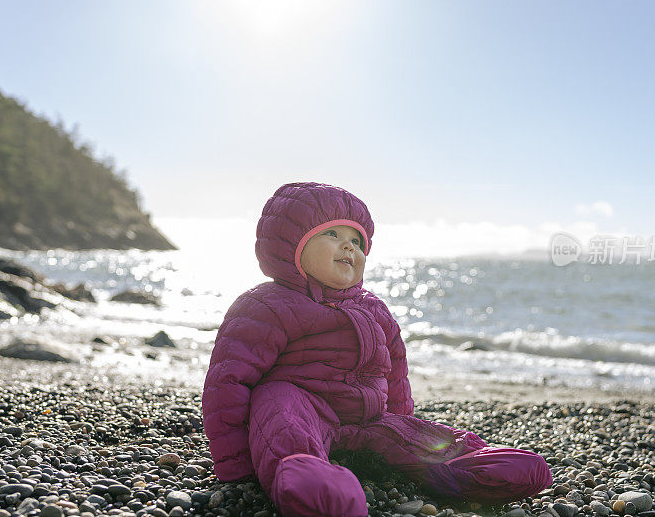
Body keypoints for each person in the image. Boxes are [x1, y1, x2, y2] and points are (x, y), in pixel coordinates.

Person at [201, 182, 552, 517]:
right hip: (305, 407)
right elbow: (228, 382)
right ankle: (309, 479)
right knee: (278, 408)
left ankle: (468, 469)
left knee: (421, 440)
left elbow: (395, 372)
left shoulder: (374, 309)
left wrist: (404, 421)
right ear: (290, 246)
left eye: (357, 240)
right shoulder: (266, 305)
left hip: (368, 417)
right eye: (332, 234)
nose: (349, 247)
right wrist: (234, 463)